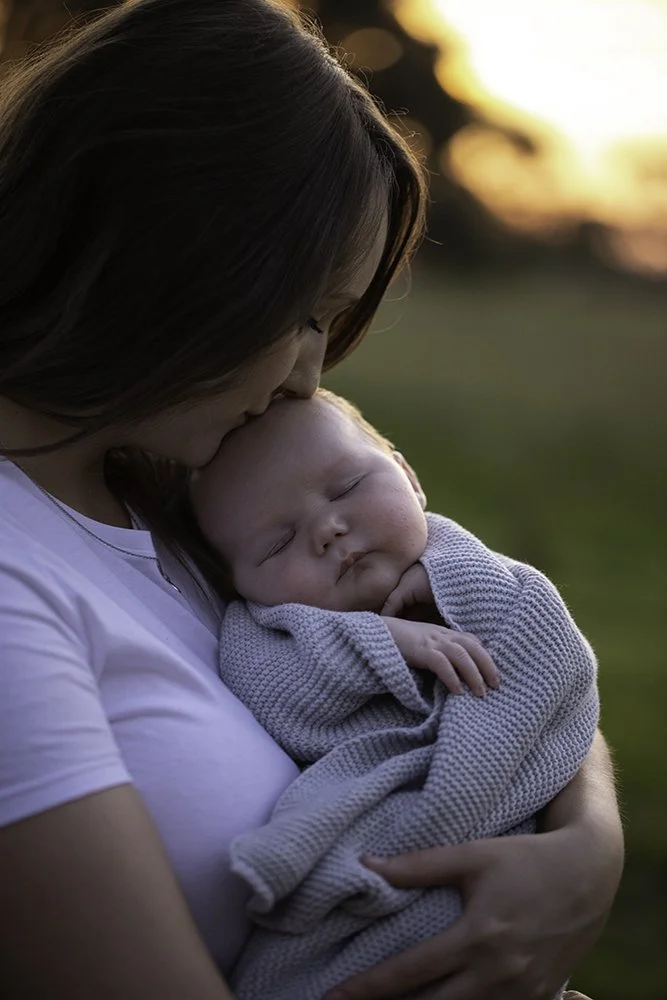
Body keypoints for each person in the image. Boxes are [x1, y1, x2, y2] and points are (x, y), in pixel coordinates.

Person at [0, 2, 622, 999]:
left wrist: (586, 851)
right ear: (176, 255)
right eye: (302, 313)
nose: (309, 374)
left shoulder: (169, 475)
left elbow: (498, 634)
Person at [189, 388, 601, 1000]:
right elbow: (275, 694)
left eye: (347, 487)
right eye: (277, 544)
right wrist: (375, 639)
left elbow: (558, 667)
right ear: (241, 585)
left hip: (504, 883)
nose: (329, 529)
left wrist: (453, 590)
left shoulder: (484, 578)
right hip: (365, 908)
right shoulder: (265, 632)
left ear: (407, 475)